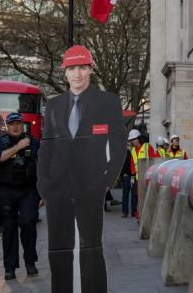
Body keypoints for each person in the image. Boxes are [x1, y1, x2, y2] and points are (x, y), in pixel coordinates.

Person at [37, 45, 127, 293]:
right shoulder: (53, 105)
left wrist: (106, 180)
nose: (77, 74)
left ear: (91, 70)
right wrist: (43, 184)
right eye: (72, 69)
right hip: (57, 187)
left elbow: (119, 144)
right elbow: (46, 147)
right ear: (65, 73)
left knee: (91, 248)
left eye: (82, 68)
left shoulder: (108, 101)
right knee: (58, 250)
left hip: (91, 186)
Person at [0, 112, 40, 280]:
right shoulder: (0, 143)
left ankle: (30, 262)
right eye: (12, 124)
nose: (15, 126)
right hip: (7, 191)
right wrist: (19, 146)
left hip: (28, 190)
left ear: (22, 125)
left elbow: (44, 167)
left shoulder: (34, 143)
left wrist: (45, 194)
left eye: (18, 123)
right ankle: (10, 268)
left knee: (28, 223)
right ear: (7, 126)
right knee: (9, 229)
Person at [119, 146, 134, 218]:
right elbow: (120, 163)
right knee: (125, 194)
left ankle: (133, 212)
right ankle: (125, 212)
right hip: (126, 176)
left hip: (134, 175)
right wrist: (123, 173)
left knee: (134, 195)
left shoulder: (133, 151)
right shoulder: (124, 151)